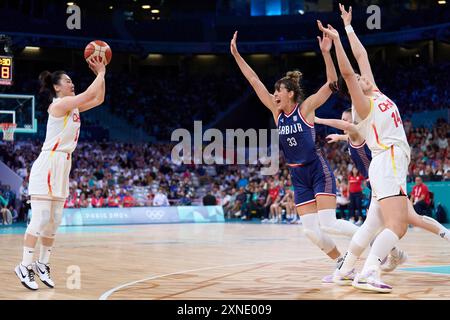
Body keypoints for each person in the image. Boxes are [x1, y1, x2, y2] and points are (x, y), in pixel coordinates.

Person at [317, 4, 444, 292]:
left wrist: (348, 28)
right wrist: (336, 43)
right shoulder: (363, 105)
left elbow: (361, 56)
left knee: (370, 226)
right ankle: (371, 271)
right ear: (355, 90)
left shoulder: (374, 90)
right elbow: (349, 74)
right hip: (388, 160)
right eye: (360, 80)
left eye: (365, 77)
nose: (364, 77)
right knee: (398, 226)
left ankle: (346, 270)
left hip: (387, 165)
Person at [231, 26, 359, 279]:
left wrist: (326, 53)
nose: (274, 94)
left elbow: (332, 84)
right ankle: (343, 262)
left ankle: (371, 238)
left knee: (329, 224)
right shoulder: (276, 112)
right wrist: (236, 55)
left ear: (290, 93)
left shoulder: (306, 108)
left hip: (316, 169)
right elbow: (254, 81)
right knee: (310, 231)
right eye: (274, 92)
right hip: (297, 176)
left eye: (278, 91)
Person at [317, 108, 450, 285]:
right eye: (343, 120)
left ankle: (360, 266)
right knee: (379, 226)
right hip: (378, 184)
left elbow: (350, 128)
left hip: (385, 180)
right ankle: (366, 264)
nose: (345, 123)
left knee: (403, 221)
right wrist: (340, 137)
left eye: (347, 120)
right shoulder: (353, 135)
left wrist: (318, 119)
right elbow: (348, 132)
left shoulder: (358, 133)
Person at [15, 56, 106, 291]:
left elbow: (98, 98)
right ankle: (24, 266)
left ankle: (42, 264)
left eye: (72, 80)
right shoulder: (58, 105)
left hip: (64, 164)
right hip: (49, 162)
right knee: (41, 218)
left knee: (54, 222)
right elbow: (87, 95)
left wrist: (102, 75)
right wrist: (100, 72)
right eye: (67, 81)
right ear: (57, 87)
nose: (71, 83)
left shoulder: (73, 106)